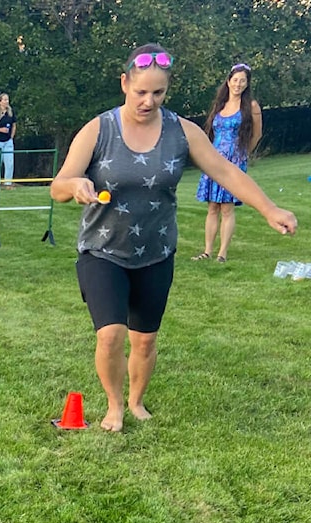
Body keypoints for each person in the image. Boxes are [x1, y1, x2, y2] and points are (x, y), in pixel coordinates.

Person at [50, 43, 297, 433]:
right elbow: (58, 185)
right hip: (102, 249)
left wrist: (269, 208)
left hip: (156, 251)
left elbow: (227, 173)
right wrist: (75, 183)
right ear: (124, 84)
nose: (149, 101)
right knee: (111, 335)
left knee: (144, 341)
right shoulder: (100, 129)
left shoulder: (182, 132)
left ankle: (136, 401)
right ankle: (114, 406)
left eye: (158, 93)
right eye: (140, 92)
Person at [192, 63, 263, 263]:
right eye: (235, 80)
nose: (238, 84)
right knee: (212, 206)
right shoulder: (220, 105)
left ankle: (222, 254)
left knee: (227, 207)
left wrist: (243, 154)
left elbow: (257, 134)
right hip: (213, 160)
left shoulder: (251, 107)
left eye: (243, 81)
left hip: (234, 163)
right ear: (228, 81)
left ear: (247, 84)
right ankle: (207, 251)